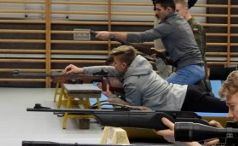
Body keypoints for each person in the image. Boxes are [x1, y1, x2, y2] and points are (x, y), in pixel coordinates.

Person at [63, 45, 227, 113]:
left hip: (183, 99)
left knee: (226, 108)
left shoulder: (133, 82)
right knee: (225, 107)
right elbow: (107, 69)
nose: (112, 66)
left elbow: (135, 109)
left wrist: (111, 97)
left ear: (124, 66)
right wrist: (81, 70)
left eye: (115, 63)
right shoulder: (138, 65)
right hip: (185, 94)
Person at [96, 0, 207, 87]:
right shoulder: (179, 21)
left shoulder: (169, 25)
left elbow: (141, 37)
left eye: (158, 9)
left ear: (168, 9)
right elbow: (183, 46)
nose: (156, 12)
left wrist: (111, 34)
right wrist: (162, 53)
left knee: (161, 91)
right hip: (191, 68)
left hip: (189, 70)